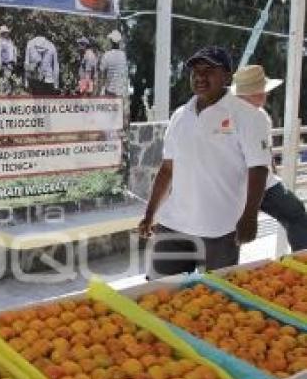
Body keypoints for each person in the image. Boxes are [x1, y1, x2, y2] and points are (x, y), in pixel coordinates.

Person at [139, 47, 271, 277]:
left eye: (209, 70)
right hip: (174, 225)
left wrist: (250, 216)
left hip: (221, 230)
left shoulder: (249, 116)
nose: (200, 76)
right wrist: (150, 214)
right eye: (195, 71)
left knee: (216, 302)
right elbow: (168, 169)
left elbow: (258, 169)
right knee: (157, 292)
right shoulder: (180, 115)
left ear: (227, 76)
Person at [232, 64, 307, 251]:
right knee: (295, 213)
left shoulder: (257, 114)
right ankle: (302, 264)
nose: (265, 95)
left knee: (295, 213)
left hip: (253, 182)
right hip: (255, 183)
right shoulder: (253, 116)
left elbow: (266, 151)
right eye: (260, 91)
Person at [100, 30, 128, 97]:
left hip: (110, 91)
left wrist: (102, 88)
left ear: (111, 42)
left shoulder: (106, 55)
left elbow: (102, 74)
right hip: (121, 91)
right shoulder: (123, 55)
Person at [0, 25, 18, 95]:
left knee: (10, 78)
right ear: (2, 33)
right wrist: (0, 63)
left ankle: (9, 92)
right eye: (5, 32)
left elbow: (13, 50)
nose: (7, 34)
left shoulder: (9, 40)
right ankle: (6, 92)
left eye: (7, 32)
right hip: (5, 62)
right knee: (7, 77)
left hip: (11, 62)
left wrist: (15, 58)